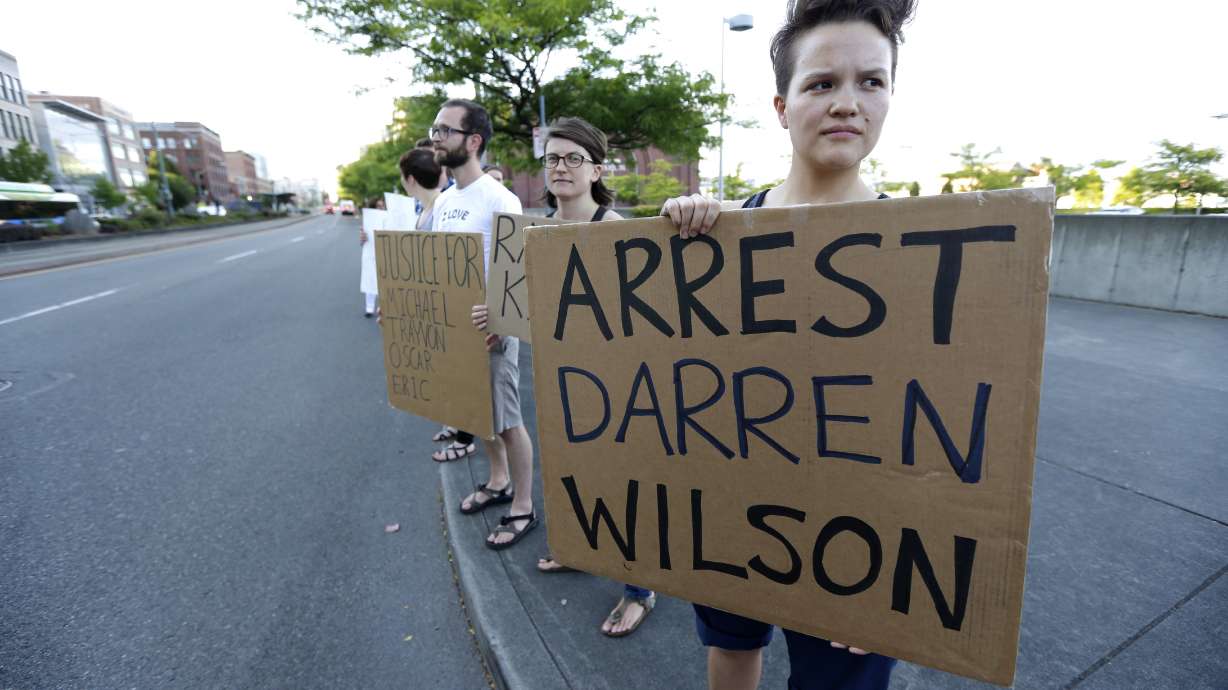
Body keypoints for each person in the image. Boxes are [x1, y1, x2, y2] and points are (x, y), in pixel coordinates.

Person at [661, 1, 916, 688]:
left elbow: (936, 423)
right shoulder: (722, 230)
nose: (847, 104)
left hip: (860, 540)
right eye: (821, 83)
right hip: (733, 512)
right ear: (782, 105)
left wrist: (890, 564)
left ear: (892, 95)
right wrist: (679, 240)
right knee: (732, 649)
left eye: (871, 81)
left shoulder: (918, 250)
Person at [429, 98, 538, 550]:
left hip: (493, 331)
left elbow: (519, 267)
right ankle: (498, 481)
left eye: (444, 131)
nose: (435, 138)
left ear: (472, 141)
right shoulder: (444, 200)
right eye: (434, 130)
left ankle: (524, 506)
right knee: (478, 413)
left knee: (508, 419)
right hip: (456, 332)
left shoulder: (500, 198)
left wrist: (504, 321)